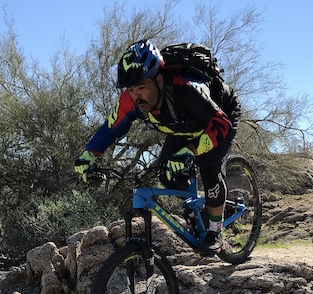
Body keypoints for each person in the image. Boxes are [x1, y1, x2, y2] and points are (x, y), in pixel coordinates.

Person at [74, 39, 242, 255]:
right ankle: (199, 209)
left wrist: (191, 150)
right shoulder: (130, 100)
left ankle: (215, 231)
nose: (136, 96)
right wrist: (90, 153)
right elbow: (110, 129)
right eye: (131, 89)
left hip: (218, 117)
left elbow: (220, 124)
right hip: (182, 126)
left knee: (209, 167)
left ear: (160, 80)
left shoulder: (187, 88)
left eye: (142, 87)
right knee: (166, 172)